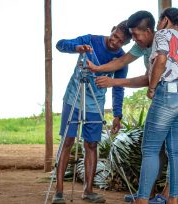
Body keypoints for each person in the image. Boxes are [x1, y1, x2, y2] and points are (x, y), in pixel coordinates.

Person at [87, 10, 170, 202]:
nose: (133, 39)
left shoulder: (162, 45)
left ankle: (166, 196)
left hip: (170, 99)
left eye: (135, 35)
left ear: (149, 31)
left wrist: (114, 82)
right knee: (152, 148)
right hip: (158, 100)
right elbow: (122, 61)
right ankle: (147, 193)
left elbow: (148, 79)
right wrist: (97, 68)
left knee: (170, 149)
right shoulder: (142, 46)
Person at [52, 20, 132, 204]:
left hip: (95, 104)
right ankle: (59, 191)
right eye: (115, 36)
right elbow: (60, 45)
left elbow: (118, 88)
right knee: (67, 141)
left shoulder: (121, 59)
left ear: (126, 43)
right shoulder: (91, 40)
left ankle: (88, 191)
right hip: (74, 98)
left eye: (120, 41)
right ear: (112, 30)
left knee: (92, 145)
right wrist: (77, 47)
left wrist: (117, 114)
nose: (115, 41)